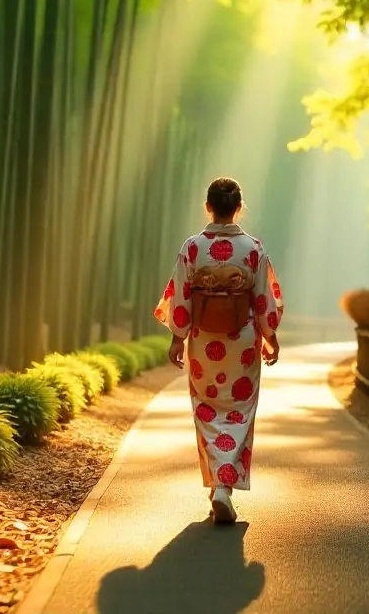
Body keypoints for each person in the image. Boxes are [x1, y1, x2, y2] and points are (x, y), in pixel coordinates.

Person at [153, 177, 284, 524]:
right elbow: (263, 299)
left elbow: (181, 297)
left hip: (204, 340)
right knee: (239, 409)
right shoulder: (253, 249)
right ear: (238, 207)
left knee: (208, 408)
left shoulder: (193, 247)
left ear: (208, 207)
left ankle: (218, 486)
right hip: (242, 340)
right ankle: (224, 486)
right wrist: (270, 334)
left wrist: (178, 337)